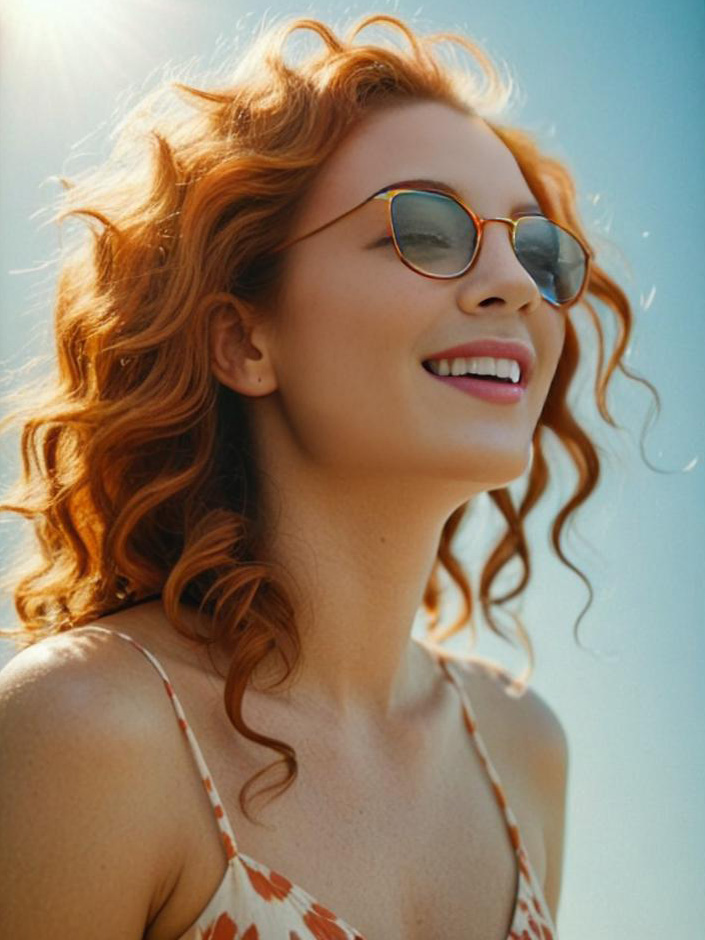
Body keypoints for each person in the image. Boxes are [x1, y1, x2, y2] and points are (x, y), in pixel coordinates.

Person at [0, 11, 657, 940]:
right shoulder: (88, 732)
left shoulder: (522, 750)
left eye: (536, 250)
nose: (512, 281)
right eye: (426, 231)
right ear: (243, 338)